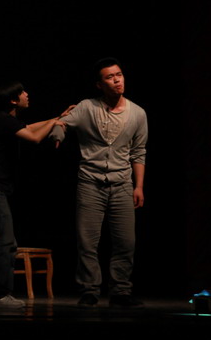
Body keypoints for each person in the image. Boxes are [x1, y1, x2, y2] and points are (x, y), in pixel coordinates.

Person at [49, 58, 148, 308]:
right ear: (99, 84)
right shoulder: (87, 107)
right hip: (90, 183)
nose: (117, 80)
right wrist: (58, 133)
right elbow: (62, 121)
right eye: (109, 77)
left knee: (126, 242)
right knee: (87, 241)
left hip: (122, 184)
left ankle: (121, 292)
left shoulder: (137, 113)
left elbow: (139, 152)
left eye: (119, 75)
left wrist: (138, 186)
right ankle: (89, 290)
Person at [0, 82, 74, 308]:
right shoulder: (1, 119)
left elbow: (28, 127)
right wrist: (54, 122)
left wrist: (57, 118)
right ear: (13, 100)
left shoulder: (7, 120)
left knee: (6, 241)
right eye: (22, 92)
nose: (27, 94)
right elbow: (34, 137)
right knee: (4, 241)